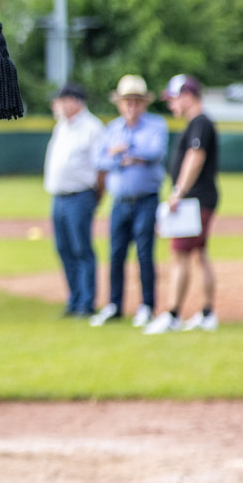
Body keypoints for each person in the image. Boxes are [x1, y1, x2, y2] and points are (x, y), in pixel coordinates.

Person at [91, 74, 168, 328]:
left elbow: (155, 153)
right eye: (127, 101)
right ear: (120, 104)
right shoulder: (112, 128)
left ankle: (147, 305)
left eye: (136, 101)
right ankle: (114, 304)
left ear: (144, 103)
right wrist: (121, 157)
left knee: (145, 254)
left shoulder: (156, 125)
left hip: (146, 199)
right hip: (120, 200)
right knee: (116, 254)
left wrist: (125, 150)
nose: (131, 106)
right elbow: (100, 161)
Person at [146, 74, 220, 333]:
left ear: (188, 96)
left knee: (179, 255)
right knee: (199, 255)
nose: (171, 105)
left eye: (174, 98)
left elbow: (195, 156)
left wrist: (178, 192)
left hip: (194, 199)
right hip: (199, 198)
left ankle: (173, 315)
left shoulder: (199, 122)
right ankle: (207, 313)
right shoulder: (198, 122)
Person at [43, 82, 105, 318]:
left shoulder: (92, 128)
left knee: (81, 248)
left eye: (59, 100)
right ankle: (74, 298)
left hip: (80, 195)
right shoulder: (62, 126)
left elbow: (100, 170)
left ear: (74, 101)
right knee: (64, 248)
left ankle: (86, 302)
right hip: (59, 196)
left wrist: (96, 196)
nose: (55, 105)